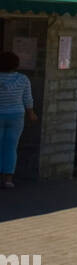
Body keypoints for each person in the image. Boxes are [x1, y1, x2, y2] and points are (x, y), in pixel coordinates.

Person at [0, 51, 37, 188]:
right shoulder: (22, 79)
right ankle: (8, 179)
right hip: (16, 115)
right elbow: (27, 98)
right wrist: (31, 113)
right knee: (11, 147)